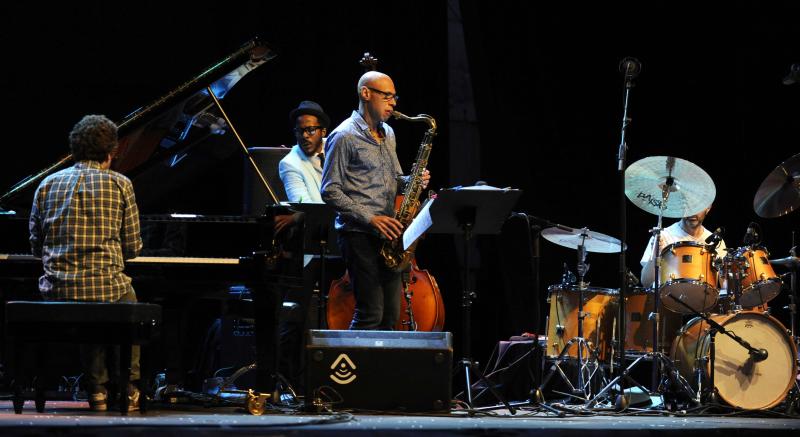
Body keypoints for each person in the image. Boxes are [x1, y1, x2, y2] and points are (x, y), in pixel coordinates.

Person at [29, 114, 143, 412]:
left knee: (86, 295)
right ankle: (129, 385)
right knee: (123, 298)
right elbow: (131, 247)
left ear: (74, 149)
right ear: (112, 151)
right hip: (106, 287)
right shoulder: (121, 184)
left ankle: (97, 390)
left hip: (57, 290)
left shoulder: (47, 184)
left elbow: (35, 246)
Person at [321, 71, 429, 330]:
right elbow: (329, 190)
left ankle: (383, 370)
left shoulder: (388, 132)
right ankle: (355, 367)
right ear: (366, 94)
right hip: (358, 233)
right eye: (387, 96)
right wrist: (370, 218)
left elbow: (395, 177)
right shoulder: (343, 135)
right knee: (371, 313)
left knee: (391, 316)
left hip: (389, 236)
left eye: (395, 97)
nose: (393, 103)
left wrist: (414, 180)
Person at [639, 205, 727, 287]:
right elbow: (646, 282)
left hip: (705, 301)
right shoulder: (663, 236)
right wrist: (655, 254)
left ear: (708, 208)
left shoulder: (716, 241)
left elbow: (725, 286)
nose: (692, 213)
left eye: (697, 207)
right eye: (688, 207)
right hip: (666, 301)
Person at [278, 100, 330, 204]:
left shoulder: (335, 146)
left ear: (323, 132)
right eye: (299, 131)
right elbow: (305, 208)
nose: (304, 136)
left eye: (310, 130)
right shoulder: (289, 164)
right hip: (322, 218)